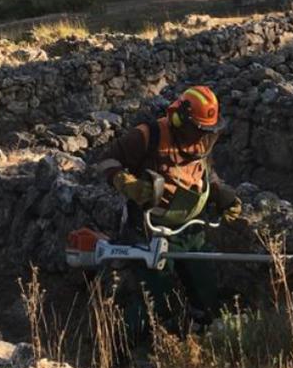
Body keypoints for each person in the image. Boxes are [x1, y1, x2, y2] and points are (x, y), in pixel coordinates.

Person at [98, 85, 242, 337]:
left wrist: (219, 192)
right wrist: (126, 183)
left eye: (206, 131)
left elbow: (202, 170)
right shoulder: (148, 135)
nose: (200, 137)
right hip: (149, 229)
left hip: (190, 227)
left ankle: (201, 332)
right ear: (178, 118)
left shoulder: (202, 140)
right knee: (156, 296)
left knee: (204, 285)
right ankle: (136, 349)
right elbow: (108, 160)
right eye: (197, 130)